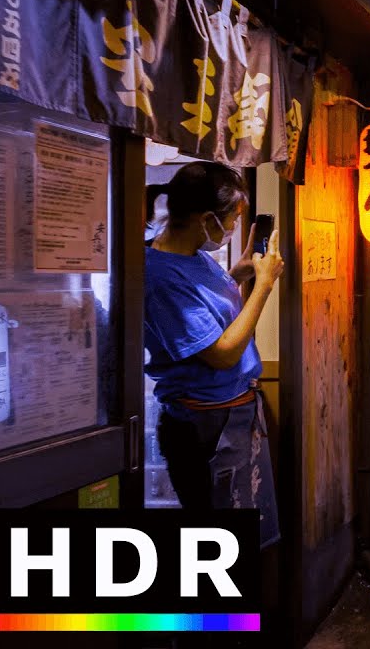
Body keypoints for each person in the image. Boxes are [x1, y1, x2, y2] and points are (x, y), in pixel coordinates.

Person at [144, 161, 284, 547]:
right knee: (217, 544)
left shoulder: (194, 256)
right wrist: (264, 286)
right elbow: (221, 353)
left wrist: (239, 275)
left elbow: (216, 320)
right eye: (233, 220)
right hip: (204, 425)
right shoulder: (159, 276)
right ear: (207, 219)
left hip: (231, 411)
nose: (235, 228)